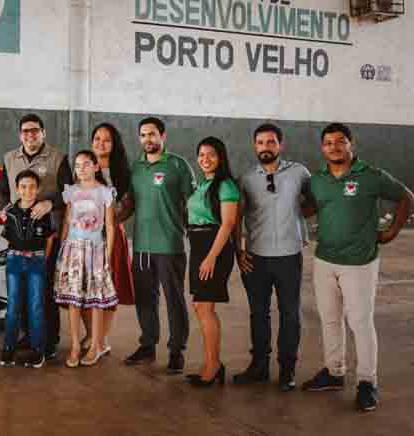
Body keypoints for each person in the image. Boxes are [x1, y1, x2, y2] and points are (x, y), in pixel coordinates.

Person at [301, 123, 414, 412]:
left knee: (360, 323)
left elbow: (407, 198)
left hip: (359, 263)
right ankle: (334, 372)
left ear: (351, 145)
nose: (334, 147)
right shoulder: (318, 179)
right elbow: (312, 207)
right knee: (329, 320)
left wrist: (390, 232)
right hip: (325, 259)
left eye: (340, 142)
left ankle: (367, 382)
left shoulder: (371, 176)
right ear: (322, 148)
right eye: (328, 143)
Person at [233, 123, 312, 391]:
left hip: (290, 255)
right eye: (260, 143)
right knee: (259, 313)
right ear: (254, 146)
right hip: (256, 257)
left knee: (290, 314)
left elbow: (314, 201)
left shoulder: (299, 173)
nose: (265, 147)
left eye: (271, 142)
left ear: (281, 145)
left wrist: (298, 222)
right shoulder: (246, 179)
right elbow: (236, 217)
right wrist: (238, 251)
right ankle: (259, 367)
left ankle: (287, 370)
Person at [121, 117, 194, 374]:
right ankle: (148, 345)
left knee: (174, 299)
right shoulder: (136, 167)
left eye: (152, 134)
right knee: (145, 299)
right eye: (143, 135)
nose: (147, 140)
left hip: (170, 245)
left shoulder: (178, 165)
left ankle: (176, 351)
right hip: (141, 245)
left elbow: (192, 204)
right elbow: (128, 205)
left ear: (163, 136)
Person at [0, 114, 73, 360]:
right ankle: (29, 336)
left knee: (45, 291)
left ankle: (49, 341)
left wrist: (51, 203)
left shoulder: (58, 158)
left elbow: (69, 191)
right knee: (21, 293)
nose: (30, 135)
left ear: (43, 132)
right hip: (19, 237)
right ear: (20, 134)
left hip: (46, 237)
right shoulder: (9, 159)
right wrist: (5, 209)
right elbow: (1, 191)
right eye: (25, 131)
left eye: (35, 131)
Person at [54, 150, 118, 367]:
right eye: (77, 165)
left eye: (86, 164)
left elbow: (109, 226)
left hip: (96, 250)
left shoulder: (105, 192)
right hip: (73, 249)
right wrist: (63, 249)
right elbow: (66, 222)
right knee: (74, 300)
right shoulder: (71, 192)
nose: (81, 168)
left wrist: (107, 256)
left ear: (96, 166)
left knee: (95, 301)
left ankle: (95, 346)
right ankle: (74, 346)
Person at [185, 137, 239, 387]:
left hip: (213, 246)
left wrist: (210, 257)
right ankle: (211, 362)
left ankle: (213, 365)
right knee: (200, 307)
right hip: (198, 245)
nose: (205, 159)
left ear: (221, 157)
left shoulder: (225, 185)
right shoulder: (203, 184)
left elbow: (228, 224)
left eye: (211, 155)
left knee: (205, 308)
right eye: (201, 154)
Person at [82, 123, 133, 356]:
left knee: (108, 289)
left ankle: (101, 341)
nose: (100, 143)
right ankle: (91, 334)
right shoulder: (84, 166)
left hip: (110, 236)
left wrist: (110, 221)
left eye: (106, 140)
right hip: (83, 237)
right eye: (97, 138)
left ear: (114, 144)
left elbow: (128, 206)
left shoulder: (121, 172)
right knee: (83, 289)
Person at [0, 170, 56, 369]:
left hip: (36, 262)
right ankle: (8, 348)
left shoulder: (42, 212)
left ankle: (37, 351)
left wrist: (42, 259)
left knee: (36, 307)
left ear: (38, 189)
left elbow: (49, 239)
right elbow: (8, 239)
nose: (28, 190)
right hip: (14, 262)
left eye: (32, 186)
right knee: (13, 306)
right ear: (17, 189)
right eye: (23, 186)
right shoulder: (11, 212)